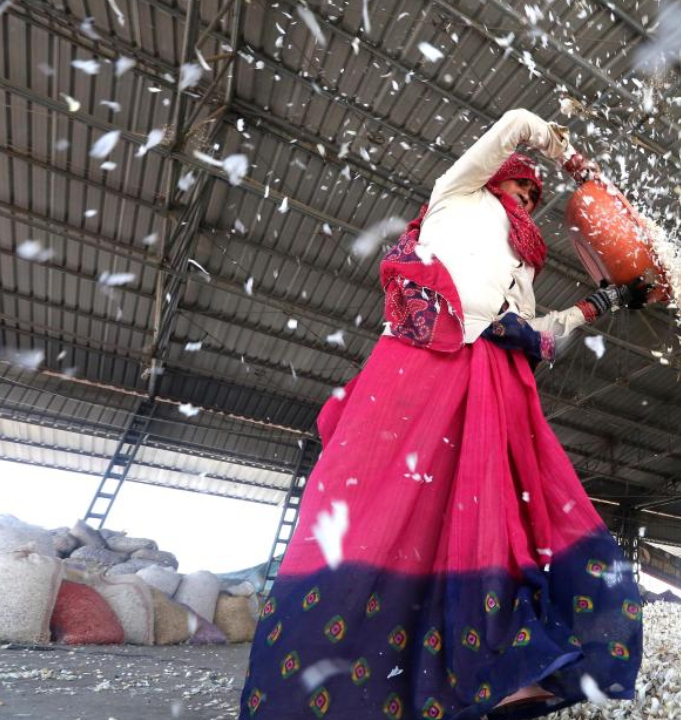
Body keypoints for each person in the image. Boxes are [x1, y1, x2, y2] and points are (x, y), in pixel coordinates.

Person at [238, 108, 648, 720]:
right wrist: (569, 160)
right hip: (424, 362)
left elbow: (530, 330)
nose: (530, 197)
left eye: (536, 194)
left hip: (495, 385)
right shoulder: (453, 196)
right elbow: (514, 122)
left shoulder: (526, 259)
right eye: (520, 184)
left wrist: (602, 303)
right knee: (379, 510)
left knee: (503, 519)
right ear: (492, 177)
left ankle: (499, 666)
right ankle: (325, 680)